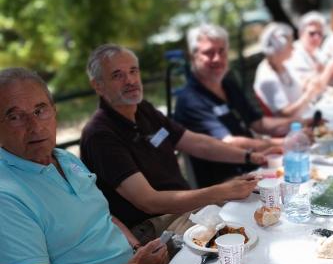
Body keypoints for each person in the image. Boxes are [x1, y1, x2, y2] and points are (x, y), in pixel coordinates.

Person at [80, 44, 263, 244]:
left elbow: (196, 142)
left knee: (256, 205)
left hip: (186, 210)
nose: (131, 80)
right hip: (154, 226)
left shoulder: (142, 110)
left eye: (133, 71)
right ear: (98, 85)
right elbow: (149, 202)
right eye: (117, 75)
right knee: (235, 237)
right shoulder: (100, 135)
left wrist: (249, 156)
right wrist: (220, 191)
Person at [0, 67, 167, 264]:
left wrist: (137, 250)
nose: (35, 126)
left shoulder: (64, 158)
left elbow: (102, 216)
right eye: (15, 117)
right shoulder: (6, 197)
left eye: (40, 110)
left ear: (54, 111)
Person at [174, 24, 295, 187]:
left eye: (221, 51)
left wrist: (298, 124)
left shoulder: (227, 84)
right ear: (192, 57)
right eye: (209, 52)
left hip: (256, 167)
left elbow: (257, 122)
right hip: (225, 184)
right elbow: (228, 142)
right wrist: (280, 143)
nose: (217, 58)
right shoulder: (189, 99)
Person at [253, 22, 324, 117]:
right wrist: (308, 95)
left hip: (308, 113)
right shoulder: (267, 77)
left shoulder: (283, 63)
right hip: (296, 126)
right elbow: (285, 114)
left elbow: (295, 87)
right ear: (279, 49)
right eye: (290, 45)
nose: (293, 48)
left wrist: (309, 81)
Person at [286, 11, 333, 87]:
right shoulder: (294, 53)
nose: (316, 37)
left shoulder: (317, 52)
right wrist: (330, 67)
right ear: (301, 33)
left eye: (320, 34)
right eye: (312, 33)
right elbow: (311, 86)